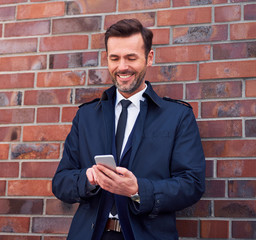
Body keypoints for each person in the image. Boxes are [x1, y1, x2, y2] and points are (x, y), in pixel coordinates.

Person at [52, 18, 205, 240]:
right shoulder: (85, 116)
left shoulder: (178, 117)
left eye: (131, 58)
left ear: (149, 58)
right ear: (107, 60)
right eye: (115, 58)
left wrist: (138, 190)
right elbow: (60, 182)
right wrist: (88, 179)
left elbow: (192, 184)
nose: (122, 67)